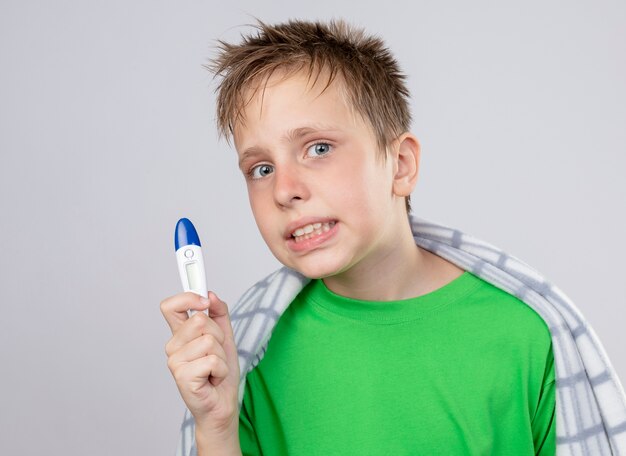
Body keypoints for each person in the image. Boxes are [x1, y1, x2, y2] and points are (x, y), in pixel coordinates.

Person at [161, 18, 626, 456]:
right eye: (261, 169)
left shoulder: (525, 335)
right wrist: (216, 428)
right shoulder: (247, 355)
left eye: (318, 148)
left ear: (400, 165)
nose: (284, 190)